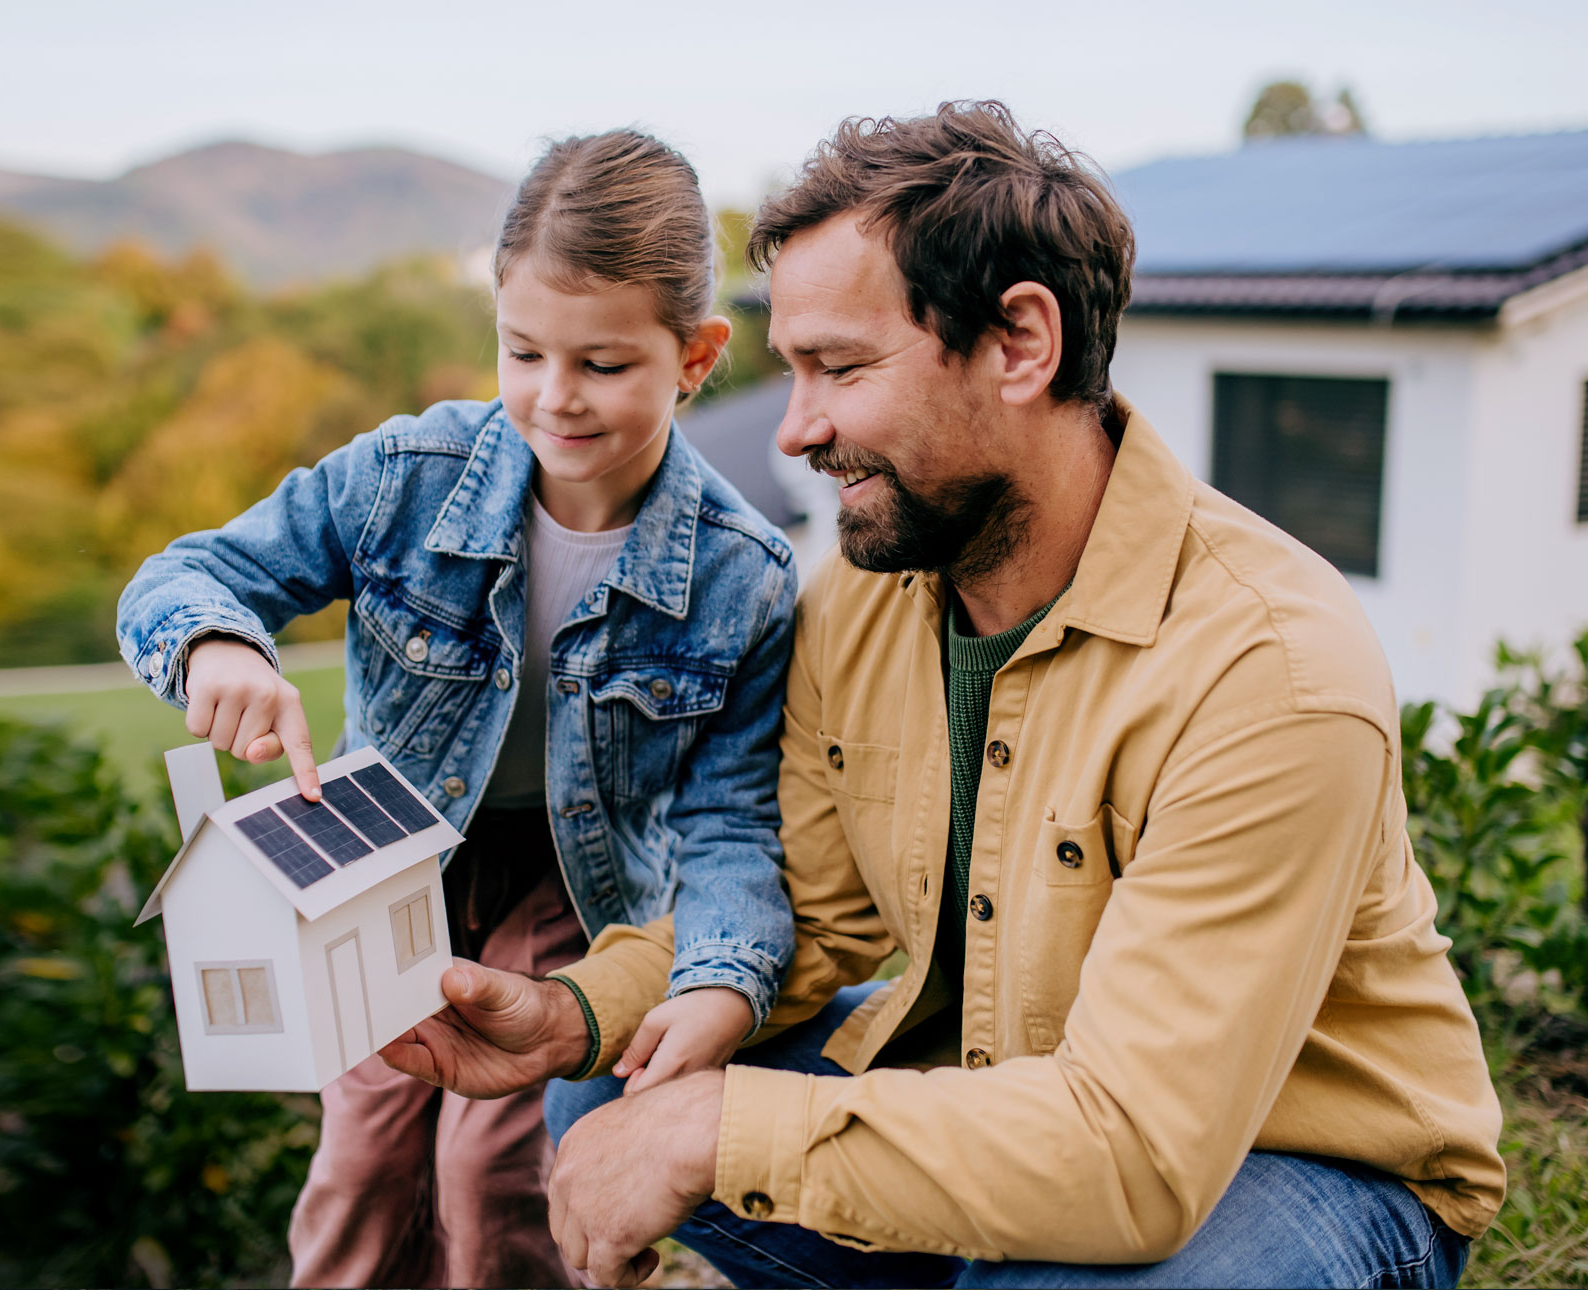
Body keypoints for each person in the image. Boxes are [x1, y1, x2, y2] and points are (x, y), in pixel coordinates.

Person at [381, 101, 1505, 1289]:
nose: (799, 429)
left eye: (842, 369)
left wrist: (720, 1130)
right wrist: (575, 1014)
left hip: (1297, 1159)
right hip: (1007, 1083)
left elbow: (1133, 1152)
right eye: (791, 370)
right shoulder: (867, 594)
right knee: (611, 1090)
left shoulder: (1269, 670)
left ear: (1021, 342)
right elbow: (803, 910)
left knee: (1026, 1258)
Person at [115, 129, 802, 1288]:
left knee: (498, 1176)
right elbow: (186, 576)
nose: (555, 397)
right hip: (384, 862)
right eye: (524, 351)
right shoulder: (404, 477)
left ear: (695, 355)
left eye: (603, 364)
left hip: (575, 887)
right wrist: (218, 644)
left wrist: (725, 973)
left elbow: (732, 817)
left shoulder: (745, 575)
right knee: (362, 1159)